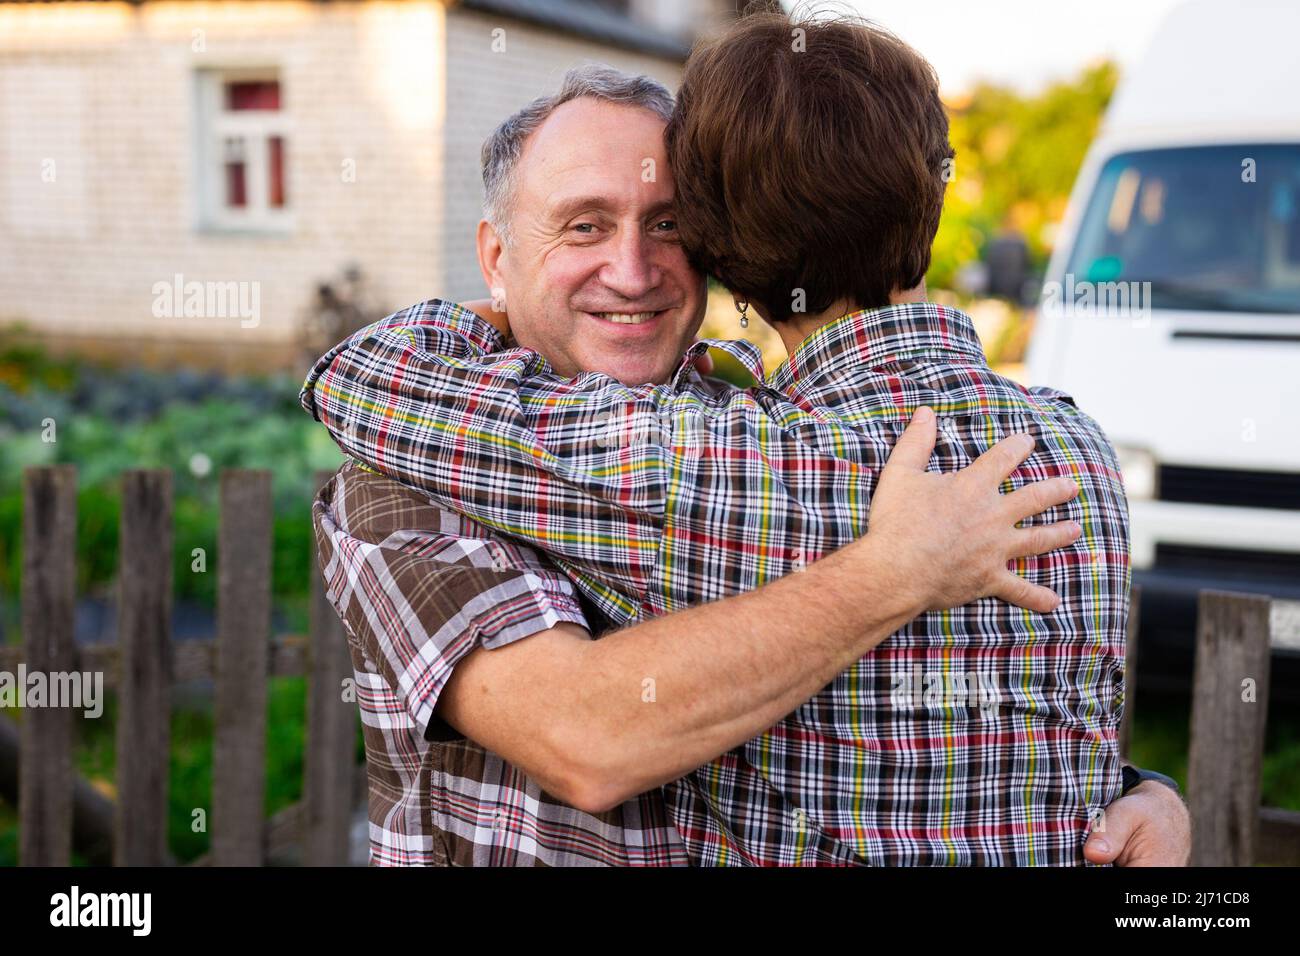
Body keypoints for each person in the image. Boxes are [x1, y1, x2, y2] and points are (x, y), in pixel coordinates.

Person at [304, 52, 1189, 863]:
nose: (632, 268)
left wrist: (1137, 793)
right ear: (496, 256)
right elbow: (588, 739)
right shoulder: (398, 482)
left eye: (669, 224)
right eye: (582, 227)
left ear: (725, 252)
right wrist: (896, 571)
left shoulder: (732, 441)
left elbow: (971, 715)